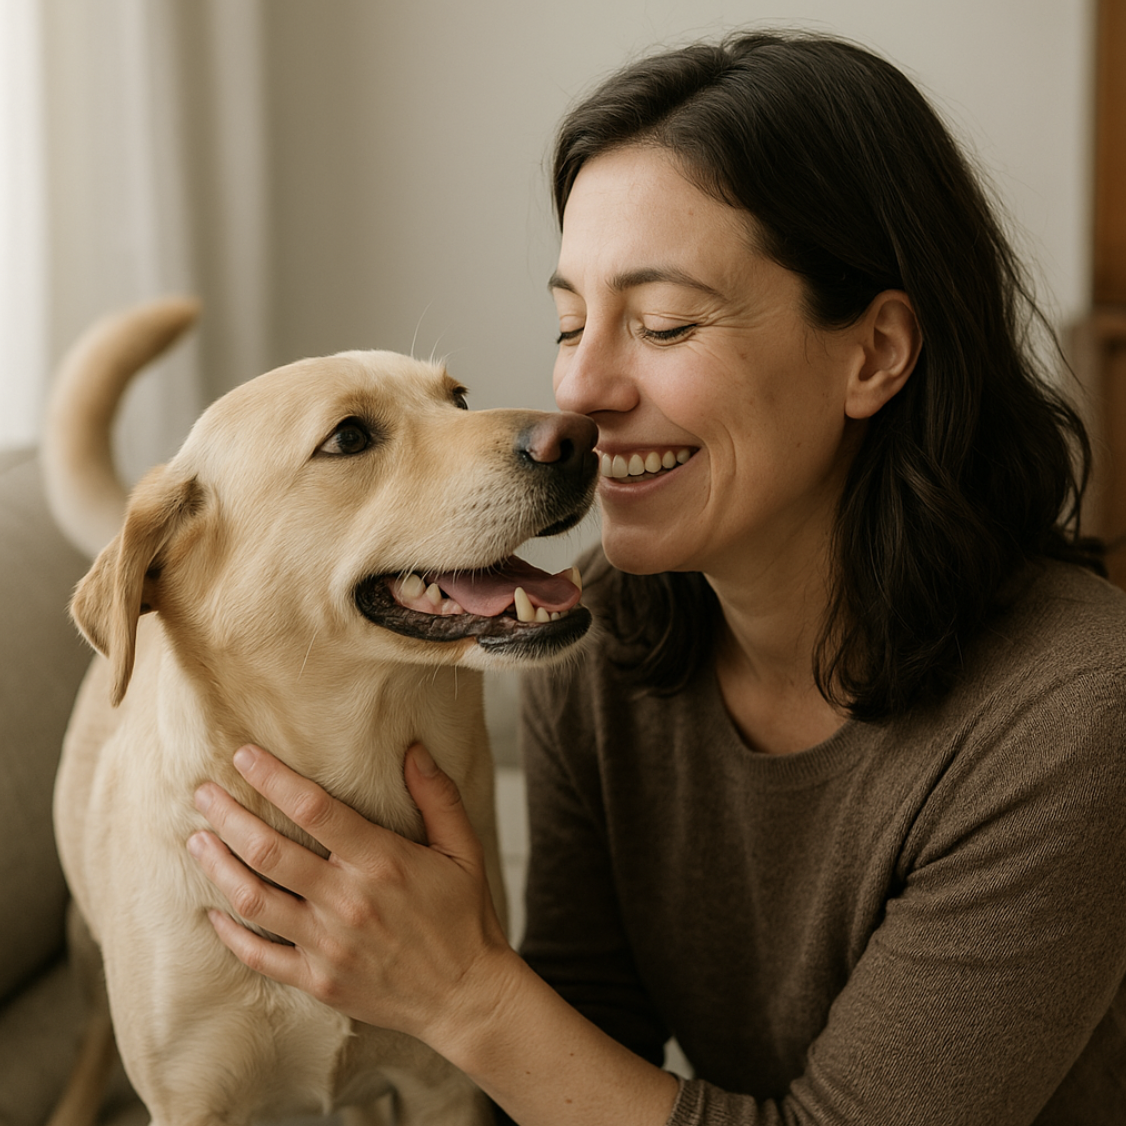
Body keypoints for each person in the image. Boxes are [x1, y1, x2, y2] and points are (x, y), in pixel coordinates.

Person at [187, 29, 1126, 1125]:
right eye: (568, 323)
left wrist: (458, 990)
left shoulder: (1075, 714)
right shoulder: (599, 639)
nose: (578, 392)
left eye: (664, 322)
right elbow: (580, 1052)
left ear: (872, 354)